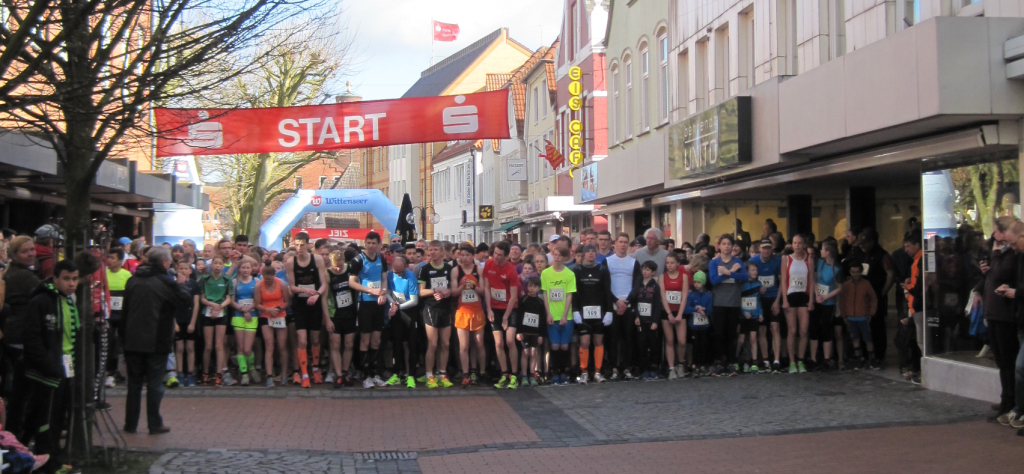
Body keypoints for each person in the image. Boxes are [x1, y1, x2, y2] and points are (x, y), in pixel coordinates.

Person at [10, 259, 78, 473]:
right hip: (45, 373)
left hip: (63, 370)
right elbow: (32, 337)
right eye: (66, 279)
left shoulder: (68, 301)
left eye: (74, 279)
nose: (71, 283)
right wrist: (49, 365)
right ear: (55, 278)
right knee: (44, 421)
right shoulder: (41, 301)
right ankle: (45, 463)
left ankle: (52, 459)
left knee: (56, 419)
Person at [122, 247, 191, 435]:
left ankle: (130, 423)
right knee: (154, 383)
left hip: (132, 339)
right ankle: (154, 423)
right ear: (164, 262)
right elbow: (184, 302)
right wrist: (182, 284)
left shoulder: (132, 280)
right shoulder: (165, 281)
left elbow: (125, 311)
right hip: (157, 339)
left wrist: (124, 338)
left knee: (134, 384)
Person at [976, 217, 1019, 420]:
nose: (993, 235)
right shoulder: (1001, 254)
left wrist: (995, 254)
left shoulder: (1010, 254)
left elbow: (1003, 273)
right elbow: (995, 275)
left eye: (996, 231)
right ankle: (1006, 398)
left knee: (1008, 361)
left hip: (1004, 314)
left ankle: (1011, 401)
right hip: (994, 312)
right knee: (1001, 361)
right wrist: (986, 271)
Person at [287, 232, 330, 388]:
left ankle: (316, 369)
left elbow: (324, 284)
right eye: (297, 245)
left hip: (315, 303)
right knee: (302, 340)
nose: (299, 248)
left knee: (316, 339)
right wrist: (304, 291)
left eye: (302, 245)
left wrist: (317, 294)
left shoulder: (317, 259)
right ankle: (304, 373)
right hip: (300, 304)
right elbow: (292, 287)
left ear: (308, 245)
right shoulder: (291, 262)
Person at [349, 231, 389, 389]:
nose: (371, 246)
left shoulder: (381, 258)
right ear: (365, 243)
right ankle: (365, 375)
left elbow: (384, 279)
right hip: (364, 302)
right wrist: (370, 290)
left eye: (374, 243)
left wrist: (383, 293)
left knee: (376, 339)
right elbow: (352, 282)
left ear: (379, 244)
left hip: (378, 303)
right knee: (365, 339)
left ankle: (374, 374)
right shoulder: (358, 260)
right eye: (368, 243)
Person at [603, 232, 642, 380]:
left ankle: (627, 368)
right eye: (621, 242)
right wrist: (616, 301)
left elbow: (637, 284)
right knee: (612, 339)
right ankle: (613, 368)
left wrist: (626, 301)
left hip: (628, 305)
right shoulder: (607, 261)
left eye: (626, 242)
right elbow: (605, 285)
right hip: (612, 305)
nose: (623, 245)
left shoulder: (634, 262)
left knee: (628, 339)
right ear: (615, 244)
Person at [572, 245, 613, 384]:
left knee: (598, 342)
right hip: (582, 312)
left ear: (596, 254)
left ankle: (597, 372)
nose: (590, 254)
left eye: (593, 251)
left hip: (599, 312)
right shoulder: (577, 270)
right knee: (584, 342)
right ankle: (584, 371)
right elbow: (574, 292)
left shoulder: (602, 270)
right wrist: (575, 310)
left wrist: (609, 311)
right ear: (583, 254)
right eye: (587, 252)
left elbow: (607, 291)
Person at [709, 234, 747, 376]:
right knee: (718, 333)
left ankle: (731, 361)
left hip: (734, 302)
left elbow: (744, 277)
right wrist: (729, 273)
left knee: (732, 333)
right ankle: (719, 361)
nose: (726, 246)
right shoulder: (714, 262)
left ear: (732, 246)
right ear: (719, 246)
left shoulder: (738, 262)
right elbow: (713, 280)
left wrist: (728, 273)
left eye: (729, 244)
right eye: (723, 244)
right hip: (719, 302)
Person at [484, 241, 521, 389]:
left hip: (510, 309)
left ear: (506, 256)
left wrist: (506, 316)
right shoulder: (488, 265)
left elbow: (514, 296)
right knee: (498, 343)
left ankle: (514, 375)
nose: (496, 257)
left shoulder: (511, 270)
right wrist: (489, 309)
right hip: (494, 308)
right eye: (495, 253)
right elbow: (487, 288)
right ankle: (504, 374)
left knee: (510, 341)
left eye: (500, 255)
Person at [417, 240, 453, 389]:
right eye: (430, 250)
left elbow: (453, 288)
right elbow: (421, 292)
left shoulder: (449, 269)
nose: (432, 252)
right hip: (431, 308)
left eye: (435, 250)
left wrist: (447, 291)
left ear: (442, 252)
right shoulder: (424, 269)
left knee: (445, 343)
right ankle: (429, 375)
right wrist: (435, 291)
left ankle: (442, 374)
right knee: (433, 343)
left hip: (445, 309)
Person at [857, 229, 895, 368]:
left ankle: (878, 355)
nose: (862, 246)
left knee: (877, 326)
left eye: (864, 244)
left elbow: (890, 274)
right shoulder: (861, 254)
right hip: (862, 297)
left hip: (876, 296)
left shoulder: (882, 255)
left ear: (872, 242)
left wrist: (883, 291)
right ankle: (865, 355)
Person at [451, 243, 486, 387]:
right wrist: (462, 287)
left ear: (473, 256)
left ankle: (478, 372)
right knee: (464, 345)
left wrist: (473, 286)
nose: (464, 258)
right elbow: (453, 292)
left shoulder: (479, 270)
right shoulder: (456, 271)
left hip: (477, 311)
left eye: (467, 255)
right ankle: (465, 373)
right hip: (462, 312)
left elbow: (483, 291)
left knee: (478, 343)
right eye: (462, 255)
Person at [542, 246, 577, 385]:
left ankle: (564, 372)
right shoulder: (545, 273)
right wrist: (548, 313)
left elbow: (569, 295)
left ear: (564, 257)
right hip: (552, 315)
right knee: (555, 345)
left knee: (565, 346)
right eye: (554, 254)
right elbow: (545, 294)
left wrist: (565, 315)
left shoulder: (569, 274)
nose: (556, 257)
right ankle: (555, 372)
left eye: (559, 255)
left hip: (566, 316)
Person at [781, 234, 815, 374]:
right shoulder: (786, 259)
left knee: (804, 330)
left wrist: (811, 300)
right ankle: (792, 362)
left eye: (800, 243)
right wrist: (784, 300)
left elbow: (811, 280)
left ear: (804, 245)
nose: (797, 245)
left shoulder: (809, 259)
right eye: (795, 243)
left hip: (803, 296)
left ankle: (800, 360)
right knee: (792, 330)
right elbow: (783, 280)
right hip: (790, 295)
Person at [385, 255, 420, 387]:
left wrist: (398, 307)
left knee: (411, 344)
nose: (398, 274)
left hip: (409, 312)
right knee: (396, 343)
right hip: (396, 311)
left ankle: (411, 375)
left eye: (400, 272)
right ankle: (396, 373)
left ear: (406, 267)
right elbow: (388, 292)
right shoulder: (390, 274)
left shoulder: (410, 277)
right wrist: (392, 304)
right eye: (396, 272)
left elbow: (414, 300)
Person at [750, 239, 783, 372]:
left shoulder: (777, 261)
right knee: (762, 329)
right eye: (764, 248)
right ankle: (765, 359)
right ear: (759, 249)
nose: (766, 251)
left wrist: (778, 301)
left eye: (768, 248)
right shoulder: (754, 261)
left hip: (773, 297)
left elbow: (782, 281)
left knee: (775, 327)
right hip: (760, 300)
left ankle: (776, 359)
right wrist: (758, 288)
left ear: (772, 249)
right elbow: (750, 279)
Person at [199, 256, 233, 386]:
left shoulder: (227, 279)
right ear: (211, 265)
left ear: (223, 266)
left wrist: (219, 306)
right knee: (208, 345)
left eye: (220, 263)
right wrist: (212, 304)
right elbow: (202, 298)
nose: (218, 265)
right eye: (215, 263)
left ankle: (219, 373)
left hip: (221, 312)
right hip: (207, 312)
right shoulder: (205, 279)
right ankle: (205, 372)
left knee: (219, 345)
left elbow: (228, 298)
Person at [255, 264, 291, 388]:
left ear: (274, 276)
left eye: (270, 279)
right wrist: (268, 309)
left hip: (280, 315)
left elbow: (287, 301)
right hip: (266, 316)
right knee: (269, 345)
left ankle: (284, 374)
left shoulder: (281, 283)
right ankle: (269, 376)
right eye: (266, 279)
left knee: (282, 346)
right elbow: (257, 304)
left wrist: (278, 308)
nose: (268, 281)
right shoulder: (259, 285)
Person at [839, 261, 878, 370]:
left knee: (868, 339)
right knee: (855, 339)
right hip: (851, 317)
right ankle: (859, 359)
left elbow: (873, 298)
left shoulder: (866, 284)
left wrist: (871, 312)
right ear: (850, 272)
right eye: (853, 272)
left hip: (863, 316)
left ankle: (872, 360)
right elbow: (842, 301)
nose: (855, 274)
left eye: (857, 272)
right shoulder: (846, 285)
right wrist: (844, 314)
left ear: (861, 272)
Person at [810, 241, 842, 371]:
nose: (820, 251)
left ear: (828, 252)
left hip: (829, 302)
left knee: (826, 328)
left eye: (822, 249)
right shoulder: (819, 263)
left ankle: (827, 359)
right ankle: (813, 358)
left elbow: (840, 288)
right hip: (817, 299)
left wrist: (826, 297)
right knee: (814, 328)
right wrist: (817, 294)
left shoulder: (837, 268)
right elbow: (814, 279)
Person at [628, 261, 662, 380]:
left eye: (648, 270)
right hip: (641, 319)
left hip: (651, 320)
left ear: (653, 272)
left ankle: (653, 367)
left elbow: (658, 304)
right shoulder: (638, 285)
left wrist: (655, 321)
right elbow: (635, 302)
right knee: (641, 344)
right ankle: (644, 368)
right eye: (643, 269)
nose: (645, 272)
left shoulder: (655, 286)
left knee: (653, 345)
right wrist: (636, 316)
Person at [104, 248, 132, 388]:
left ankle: (129, 373)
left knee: (126, 343)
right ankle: (110, 373)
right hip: (109, 316)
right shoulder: (104, 274)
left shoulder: (127, 275)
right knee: (110, 344)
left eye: (112, 258)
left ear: (120, 261)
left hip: (123, 315)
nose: (109, 260)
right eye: (108, 257)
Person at [230, 259, 260, 386]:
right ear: (239, 269)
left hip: (252, 317)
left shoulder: (257, 281)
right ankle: (244, 373)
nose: (246, 270)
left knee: (248, 348)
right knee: (241, 348)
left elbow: (258, 300)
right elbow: (231, 300)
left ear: (252, 269)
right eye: (243, 268)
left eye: (248, 268)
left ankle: (251, 368)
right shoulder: (234, 282)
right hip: (238, 316)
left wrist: (249, 308)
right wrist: (242, 309)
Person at [659, 252, 688, 379]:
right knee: (669, 340)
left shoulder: (683, 276)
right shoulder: (662, 277)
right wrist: (669, 313)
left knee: (682, 341)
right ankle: (671, 368)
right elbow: (663, 296)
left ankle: (680, 363)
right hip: (667, 311)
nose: (669, 265)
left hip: (680, 311)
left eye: (672, 263)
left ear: (677, 264)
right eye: (667, 263)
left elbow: (684, 296)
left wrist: (680, 314)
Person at [172, 260, 200, 387]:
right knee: (179, 348)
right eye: (180, 268)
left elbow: (196, 304)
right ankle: (179, 373)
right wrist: (174, 323)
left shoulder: (194, 284)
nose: (183, 271)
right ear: (177, 270)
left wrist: (193, 322)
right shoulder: (174, 285)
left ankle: (190, 373)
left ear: (190, 270)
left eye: (185, 268)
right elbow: (171, 304)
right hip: (178, 319)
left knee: (190, 347)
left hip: (189, 319)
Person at [516, 276, 548, 386]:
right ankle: (524, 376)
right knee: (525, 352)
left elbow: (542, 319)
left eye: (535, 286)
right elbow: (519, 316)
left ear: (539, 288)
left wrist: (541, 335)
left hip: (535, 332)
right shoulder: (523, 300)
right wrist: (518, 331)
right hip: (524, 331)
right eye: (530, 286)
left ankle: (532, 375)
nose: (532, 288)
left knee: (533, 353)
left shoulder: (540, 302)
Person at [739, 262, 763, 373]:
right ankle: (739, 361)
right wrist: (744, 312)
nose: (755, 272)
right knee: (741, 340)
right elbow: (739, 300)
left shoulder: (758, 284)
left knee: (753, 338)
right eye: (752, 270)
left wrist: (760, 313)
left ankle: (754, 362)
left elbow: (758, 301)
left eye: (756, 270)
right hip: (744, 317)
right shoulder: (742, 284)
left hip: (754, 316)